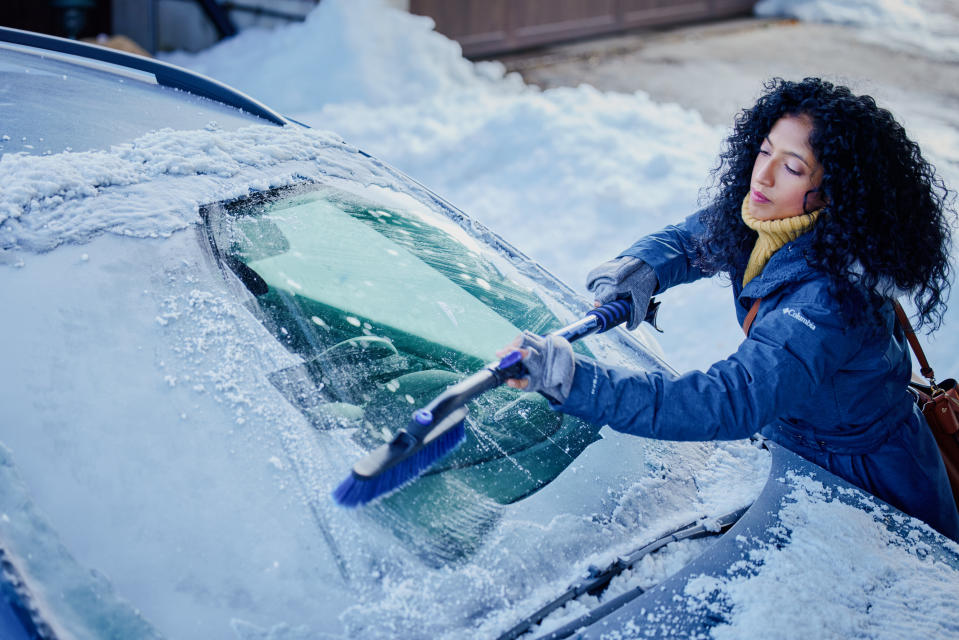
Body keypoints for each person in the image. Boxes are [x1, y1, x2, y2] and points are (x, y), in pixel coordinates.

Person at [500, 77, 959, 541]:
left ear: (835, 193)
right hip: (797, 444)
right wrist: (643, 268)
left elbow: (729, 399)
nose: (763, 175)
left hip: (871, 483)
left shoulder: (828, 302)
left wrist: (580, 383)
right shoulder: (770, 218)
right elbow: (694, 239)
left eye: (793, 168)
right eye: (764, 151)